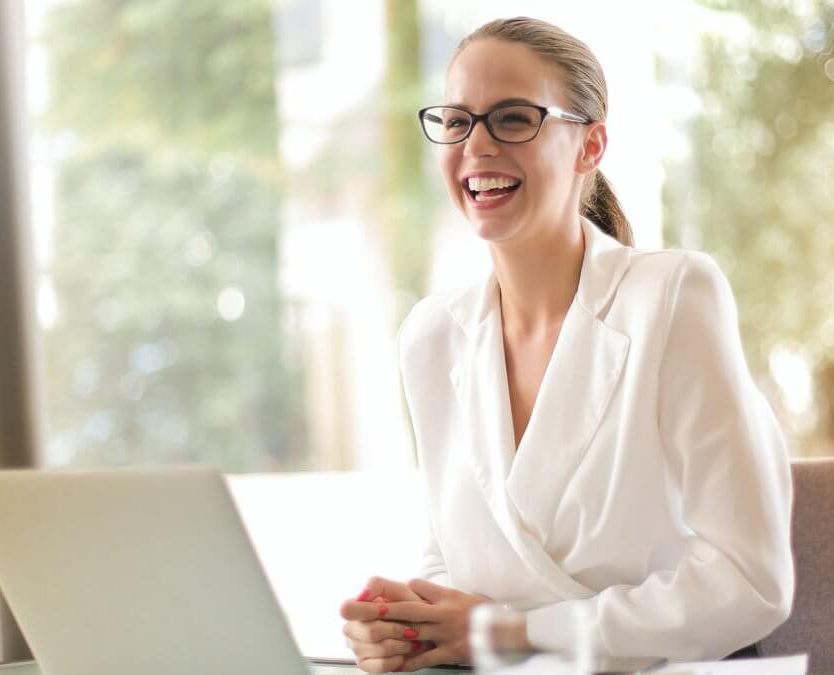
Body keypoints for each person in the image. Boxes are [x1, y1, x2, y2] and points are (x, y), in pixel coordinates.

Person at [339, 16, 794, 674]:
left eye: (513, 119)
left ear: (590, 145)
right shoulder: (431, 337)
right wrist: (407, 624)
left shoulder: (672, 298)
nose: (477, 145)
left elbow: (750, 580)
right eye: (458, 120)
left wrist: (514, 631)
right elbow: (453, 556)